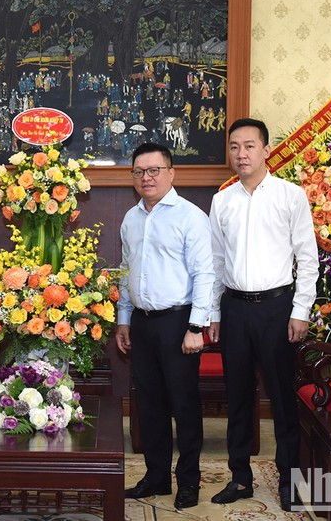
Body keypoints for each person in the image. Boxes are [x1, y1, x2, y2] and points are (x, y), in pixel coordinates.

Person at [208, 118, 318, 512]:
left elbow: (308, 259)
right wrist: (214, 312)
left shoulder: (291, 196)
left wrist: (300, 310)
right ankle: (240, 478)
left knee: (282, 399)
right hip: (234, 308)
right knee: (236, 397)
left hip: (277, 307)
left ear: (267, 150)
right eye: (235, 146)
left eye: (249, 146)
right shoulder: (222, 200)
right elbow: (217, 261)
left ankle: (290, 480)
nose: (241, 154)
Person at [116, 143, 214, 510]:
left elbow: (205, 274)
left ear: (171, 173)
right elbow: (127, 272)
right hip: (142, 323)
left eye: (154, 170)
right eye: (139, 171)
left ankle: (188, 481)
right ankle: (156, 476)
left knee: (184, 406)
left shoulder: (191, 217)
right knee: (150, 405)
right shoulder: (131, 218)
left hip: (178, 323)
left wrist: (195, 327)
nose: (147, 177)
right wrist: (124, 320)